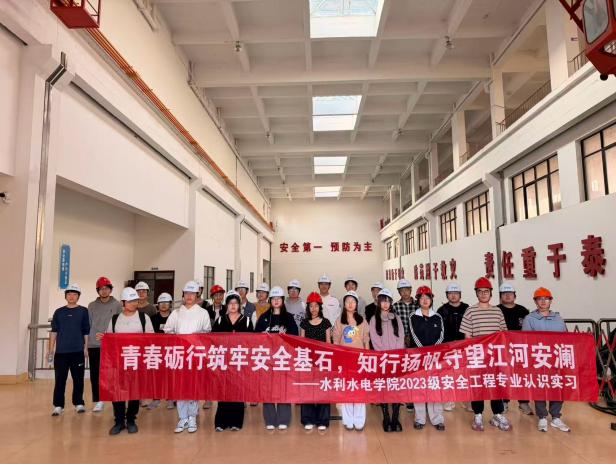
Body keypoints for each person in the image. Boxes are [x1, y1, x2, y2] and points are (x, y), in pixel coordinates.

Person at [99, 287, 154, 435]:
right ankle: (119, 421)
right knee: (117, 391)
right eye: (130, 301)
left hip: (136, 361)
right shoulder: (115, 319)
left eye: (135, 300)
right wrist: (104, 339)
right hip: (118, 362)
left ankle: (131, 420)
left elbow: (151, 338)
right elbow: (109, 338)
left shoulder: (143, 318)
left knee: (134, 391)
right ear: (123, 302)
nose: (133, 303)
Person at [459, 277, 510, 432]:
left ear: (491, 293)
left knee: (496, 385)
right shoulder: (470, 311)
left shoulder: (497, 311)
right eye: (480, 291)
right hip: (477, 356)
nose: (483, 294)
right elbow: (467, 336)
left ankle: (497, 414)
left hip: (495, 357)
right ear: (476, 293)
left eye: (486, 291)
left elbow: (503, 334)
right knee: (478, 385)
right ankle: (478, 414)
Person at [164, 281, 212, 433]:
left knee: (193, 386)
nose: (189, 296)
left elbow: (207, 332)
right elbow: (167, 330)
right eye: (186, 293)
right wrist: (177, 337)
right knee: (180, 386)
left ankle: (192, 416)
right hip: (179, 355)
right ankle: (182, 417)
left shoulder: (203, 313)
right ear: (183, 295)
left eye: (192, 293)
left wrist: (196, 337)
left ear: (197, 295)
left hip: (195, 354)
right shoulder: (176, 313)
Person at [522, 287, 571, 433]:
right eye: (540, 299)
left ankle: (556, 417)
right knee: (540, 386)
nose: (543, 301)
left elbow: (566, 338)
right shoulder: (529, 319)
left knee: (557, 385)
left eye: (546, 299)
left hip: (556, 359)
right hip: (539, 359)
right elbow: (525, 340)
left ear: (550, 301)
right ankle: (542, 416)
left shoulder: (558, 319)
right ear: (535, 301)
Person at [255, 286, 298, 430]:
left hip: (283, 358)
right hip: (267, 359)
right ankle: (270, 419)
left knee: (283, 387)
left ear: (283, 300)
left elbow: (295, 337)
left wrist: (286, 337)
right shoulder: (264, 317)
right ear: (270, 300)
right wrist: (262, 336)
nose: (276, 301)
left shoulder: (289, 318)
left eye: (279, 298)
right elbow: (255, 337)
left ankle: (283, 419)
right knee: (267, 388)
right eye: (274, 298)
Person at [213, 291, 254, 432]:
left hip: (239, 361)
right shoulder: (220, 320)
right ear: (226, 305)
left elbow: (251, 343)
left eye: (236, 303)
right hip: (223, 360)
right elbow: (213, 341)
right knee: (223, 390)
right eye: (230, 303)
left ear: (239, 305)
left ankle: (236, 422)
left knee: (237, 390)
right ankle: (221, 422)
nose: (233, 305)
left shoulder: (247, 321)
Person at [49, 283, 90, 417]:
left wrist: (86, 348)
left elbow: (86, 331)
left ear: (78, 296)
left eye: (74, 294)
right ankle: (58, 405)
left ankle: (79, 403)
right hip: (61, 352)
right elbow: (54, 331)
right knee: (60, 380)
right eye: (69, 294)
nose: (72, 296)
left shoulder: (83, 311)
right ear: (66, 296)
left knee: (78, 379)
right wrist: (50, 349)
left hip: (77, 351)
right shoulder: (59, 312)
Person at [409, 286, 445, 431]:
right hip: (418, 358)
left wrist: (432, 352)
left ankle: (437, 419)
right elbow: (413, 335)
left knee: (434, 388)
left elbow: (441, 336)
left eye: (427, 298)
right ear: (418, 300)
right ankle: (420, 419)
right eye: (422, 298)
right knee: (419, 388)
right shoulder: (413, 316)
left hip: (435, 358)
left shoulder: (437, 317)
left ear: (431, 300)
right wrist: (424, 352)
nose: (425, 300)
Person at [333, 290, 370, 431]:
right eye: (347, 301)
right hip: (344, 360)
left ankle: (359, 419)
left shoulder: (362, 320)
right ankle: (348, 419)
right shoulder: (339, 320)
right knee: (347, 389)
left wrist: (367, 357)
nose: (350, 303)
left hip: (359, 360)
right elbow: (336, 340)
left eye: (353, 301)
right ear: (344, 304)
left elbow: (366, 340)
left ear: (356, 304)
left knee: (359, 389)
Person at [368, 288, 404, 432]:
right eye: (383, 301)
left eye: (388, 301)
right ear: (379, 302)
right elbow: (375, 340)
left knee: (396, 387)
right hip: (382, 359)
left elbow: (401, 337)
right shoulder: (374, 319)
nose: (385, 304)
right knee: (383, 387)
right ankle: (386, 417)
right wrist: (384, 355)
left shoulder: (396, 318)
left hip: (395, 359)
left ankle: (395, 417)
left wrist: (395, 354)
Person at [87, 276, 122, 413]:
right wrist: (87, 344)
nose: (104, 291)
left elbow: (119, 324)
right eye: (101, 289)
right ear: (98, 290)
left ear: (110, 290)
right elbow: (89, 325)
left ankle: (115, 398)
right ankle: (99, 400)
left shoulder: (117, 305)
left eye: (106, 288)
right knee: (95, 374)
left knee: (113, 373)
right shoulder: (92, 306)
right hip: (94, 344)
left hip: (112, 346)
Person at [497, 283, 532, 415]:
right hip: (502, 348)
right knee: (504, 375)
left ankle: (523, 402)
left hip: (519, 348)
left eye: (510, 293)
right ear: (500, 296)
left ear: (515, 296)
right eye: (504, 294)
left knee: (521, 375)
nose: (507, 296)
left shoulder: (523, 311)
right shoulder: (496, 310)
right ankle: (504, 402)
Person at [299, 292, 332, 431]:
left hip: (323, 360)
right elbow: (301, 343)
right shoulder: (304, 323)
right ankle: (308, 419)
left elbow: (328, 342)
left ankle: (323, 420)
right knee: (308, 388)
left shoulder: (326, 322)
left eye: (316, 306)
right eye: (311, 306)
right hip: (308, 360)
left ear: (320, 307)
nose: (314, 309)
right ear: (308, 308)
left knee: (323, 388)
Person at [436, 282, 469, 411]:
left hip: (463, 346)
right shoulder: (442, 310)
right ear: (447, 295)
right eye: (450, 293)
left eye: (456, 293)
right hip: (447, 347)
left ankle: (467, 400)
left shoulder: (467, 308)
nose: (453, 296)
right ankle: (449, 399)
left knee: (465, 373)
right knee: (448, 374)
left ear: (460, 295)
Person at [392, 278, 417, 412]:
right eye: (402, 290)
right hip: (401, 342)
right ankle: (407, 399)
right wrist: (402, 338)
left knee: (416, 371)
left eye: (407, 290)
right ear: (399, 292)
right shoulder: (395, 306)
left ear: (411, 290)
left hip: (417, 342)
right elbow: (393, 326)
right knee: (404, 371)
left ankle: (418, 398)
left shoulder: (418, 304)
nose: (405, 292)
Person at [148, 292, 174, 410]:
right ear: (157, 305)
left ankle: (171, 398)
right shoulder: (153, 318)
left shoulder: (174, 317)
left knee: (170, 376)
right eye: (161, 303)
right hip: (156, 351)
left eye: (166, 302)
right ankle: (156, 399)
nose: (163, 305)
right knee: (156, 376)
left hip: (171, 351)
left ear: (170, 304)